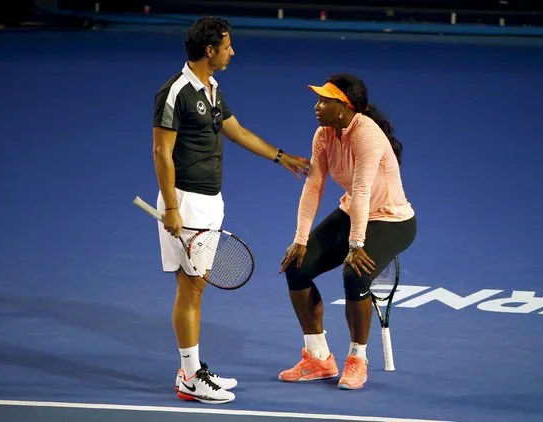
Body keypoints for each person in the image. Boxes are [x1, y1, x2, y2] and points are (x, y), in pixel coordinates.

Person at [152, 16, 310, 404]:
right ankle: (190, 377)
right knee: (190, 289)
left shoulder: (211, 87)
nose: (232, 51)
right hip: (186, 201)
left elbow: (233, 128)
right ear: (211, 50)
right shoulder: (175, 93)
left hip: (209, 201)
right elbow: (162, 152)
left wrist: (280, 157)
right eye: (227, 46)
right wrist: (172, 206)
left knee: (196, 288)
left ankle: (190, 369)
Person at [278, 73, 417, 390]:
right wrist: (300, 239)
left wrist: (356, 245)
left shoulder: (367, 134)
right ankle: (318, 357)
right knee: (297, 267)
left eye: (324, 100)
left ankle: (357, 360)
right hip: (354, 210)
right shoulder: (324, 134)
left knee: (355, 274)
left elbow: (363, 189)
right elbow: (314, 185)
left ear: (344, 107)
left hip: (391, 220)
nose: (317, 106)